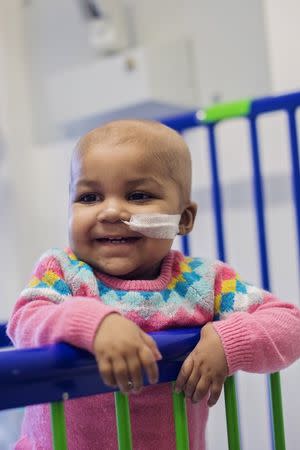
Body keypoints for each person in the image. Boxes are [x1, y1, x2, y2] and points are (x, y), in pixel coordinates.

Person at [7, 119, 300, 450]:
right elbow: (26, 321)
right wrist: (94, 322)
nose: (111, 211)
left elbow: (288, 322)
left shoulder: (204, 282)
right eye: (89, 197)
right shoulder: (63, 271)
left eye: (137, 195)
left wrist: (226, 341)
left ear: (184, 219)